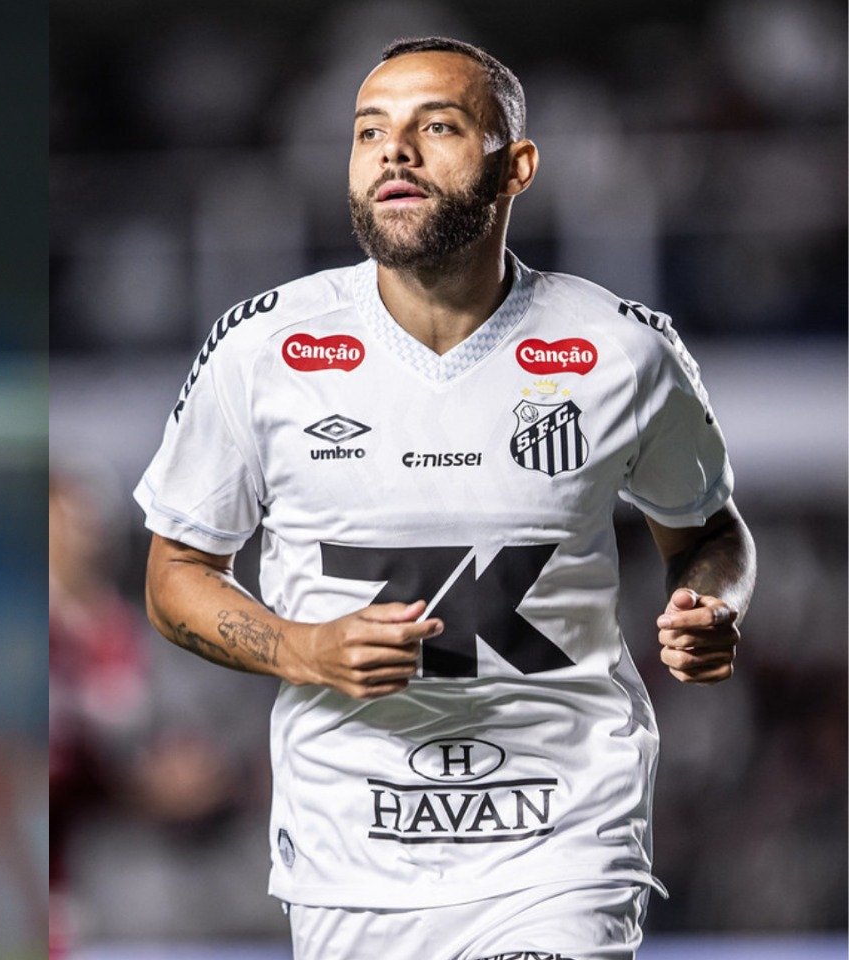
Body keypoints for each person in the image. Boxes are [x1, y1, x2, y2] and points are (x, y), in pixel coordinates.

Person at [135, 36, 755, 960]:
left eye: (438, 126)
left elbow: (710, 533)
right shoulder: (263, 351)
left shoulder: (621, 351)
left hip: (563, 838)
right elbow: (176, 575)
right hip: (351, 851)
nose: (396, 151)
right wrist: (304, 647)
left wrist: (711, 604)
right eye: (369, 131)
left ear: (517, 167)